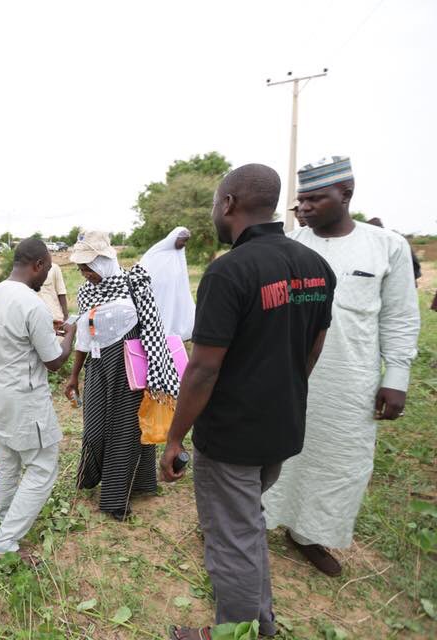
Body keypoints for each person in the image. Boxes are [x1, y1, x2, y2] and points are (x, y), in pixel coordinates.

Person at [160, 164, 336, 639]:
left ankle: (235, 632)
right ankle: (261, 623)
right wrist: (284, 390)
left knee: (230, 537)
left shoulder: (228, 271)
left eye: (217, 202)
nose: (216, 211)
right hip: (282, 428)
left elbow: (203, 368)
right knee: (247, 522)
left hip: (233, 437)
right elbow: (313, 346)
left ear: (230, 203)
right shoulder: (315, 267)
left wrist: (175, 437)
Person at [262, 157, 420, 577]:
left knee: (338, 459)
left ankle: (309, 533)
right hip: (289, 373)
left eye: (316, 198)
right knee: (276, 450)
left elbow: (401, 317)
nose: (305, 207)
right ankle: (256, 521)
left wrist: (396, 378)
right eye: (301, 200)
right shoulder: (291, 245)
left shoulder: (388, 246)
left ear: (346, 194)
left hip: (350, 379)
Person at [65, 230, 179, 521]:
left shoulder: (134, 283)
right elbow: (83, 336)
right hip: (97, 367)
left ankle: (118, 497)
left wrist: (157, 371)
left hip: (128, 366)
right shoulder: (86, 292)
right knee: (93, 427)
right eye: (81, 267)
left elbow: (153, 325)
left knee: (125, 429)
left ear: (104, 260)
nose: (85, 273)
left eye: (88, 266)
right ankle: (90, 478)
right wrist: (74, 375)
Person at [0, 239, 76, 564]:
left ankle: (6, 521)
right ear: (37, 265)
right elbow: (53, 361)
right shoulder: (33, 304)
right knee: (42, 467)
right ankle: (5, 542)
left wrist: (45, 330)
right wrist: (71, 335)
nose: (46, 276)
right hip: (24, 397)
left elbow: (11, 338)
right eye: (47, 269)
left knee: (9, 460)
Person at [139, 226, 196, 341]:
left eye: (186, 241)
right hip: (158, 294)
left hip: (172, 295)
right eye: (183, 240)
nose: (184, 244)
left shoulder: (178, 256)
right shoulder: (157, 254)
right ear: (174, 238)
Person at [37, 261, 68, 328]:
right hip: (36, 318)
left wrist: (66, 316)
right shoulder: (27, 269)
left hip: (55, 316)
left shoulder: (54, 268)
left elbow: (61, 292)